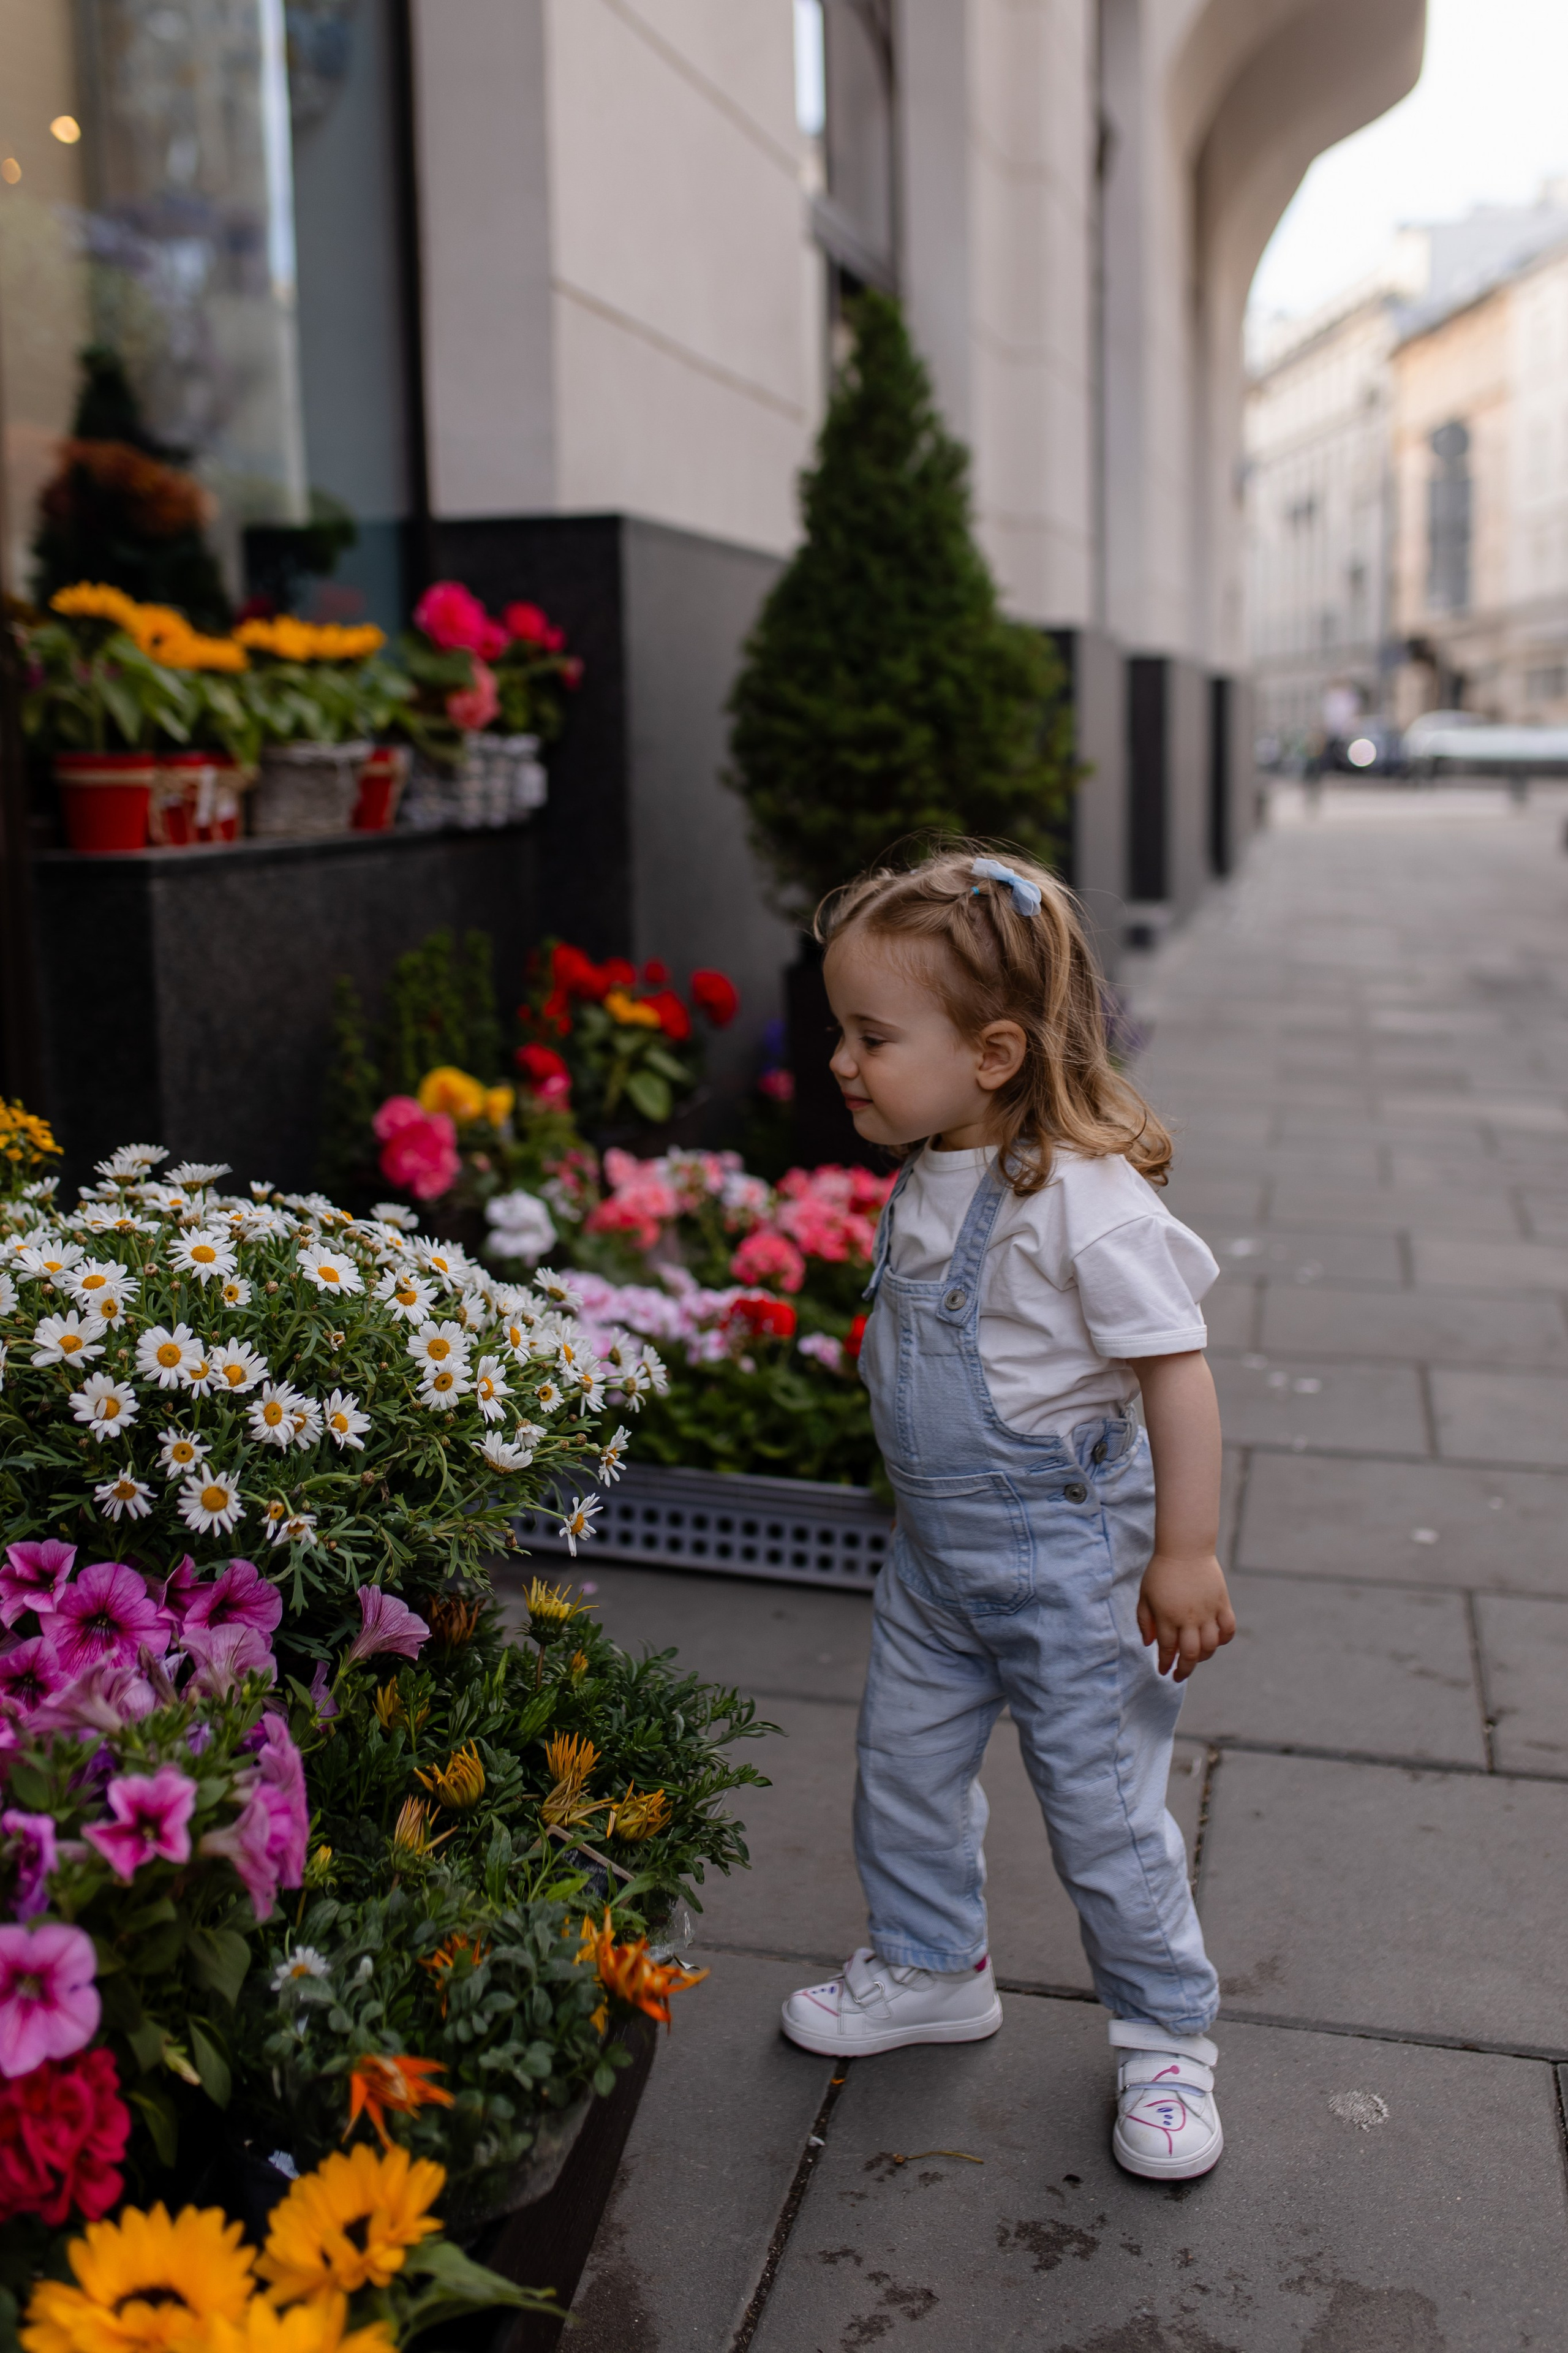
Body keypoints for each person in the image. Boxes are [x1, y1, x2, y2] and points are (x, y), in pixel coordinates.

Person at [779, 847, 1236, 2181]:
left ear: (989, 1052)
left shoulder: (1081, 1202)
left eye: (870, 1036)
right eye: (839, 1032)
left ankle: (1165, 2038)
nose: (841, 1062)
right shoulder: (932, 1166)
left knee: (1101, 1813)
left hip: (1067, 1564)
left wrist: (1185, 1549)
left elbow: (1175, 1369)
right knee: (903, 1776)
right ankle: (931, 1964)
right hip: (935, 1563)